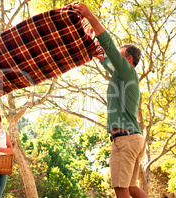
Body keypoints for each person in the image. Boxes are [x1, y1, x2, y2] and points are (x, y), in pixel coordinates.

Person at [72, 3, 149, 198]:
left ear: (129, 60)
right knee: (131, 187)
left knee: (120, 189)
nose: (114, 58)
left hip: (124, 140)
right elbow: (106, 59)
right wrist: (99, 55)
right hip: (134, 139)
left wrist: (89, 15)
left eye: (119, 56)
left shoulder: (126, 70)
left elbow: (107, 44)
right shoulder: (124, 75)